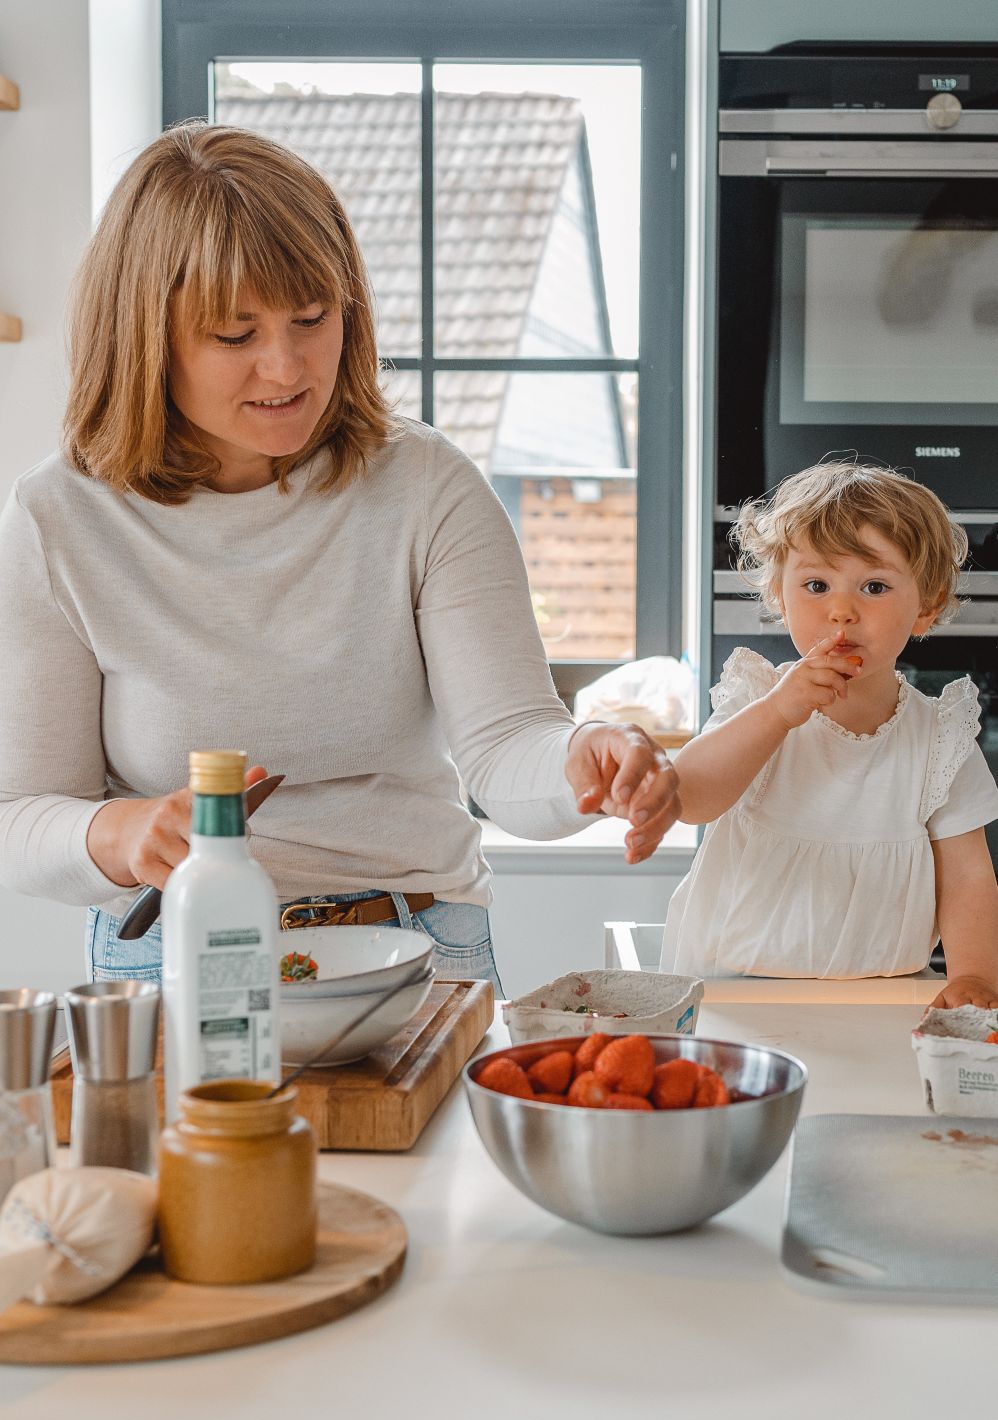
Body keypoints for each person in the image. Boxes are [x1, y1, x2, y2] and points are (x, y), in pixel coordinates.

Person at [0, 122, 680, 1001]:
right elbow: (19, 820)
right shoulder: (60, 519)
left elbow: (508, 745)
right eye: (234, 334)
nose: (285, 367)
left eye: (311, 319)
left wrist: (588, 755)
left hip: (417, 943)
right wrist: (122, 835)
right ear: (147, 336)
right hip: (175, 955)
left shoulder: (425, 485)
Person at [659, 461, 998, 1007]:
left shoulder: (940, 737)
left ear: (926, 607)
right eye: (817, 584)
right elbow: (690, 798)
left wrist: (975, 976)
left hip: (886, 991)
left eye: (875, 586)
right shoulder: (757, 699)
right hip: (737, 987)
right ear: (778, 594)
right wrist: (778, 713)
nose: (842, 610)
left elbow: (968, 878)